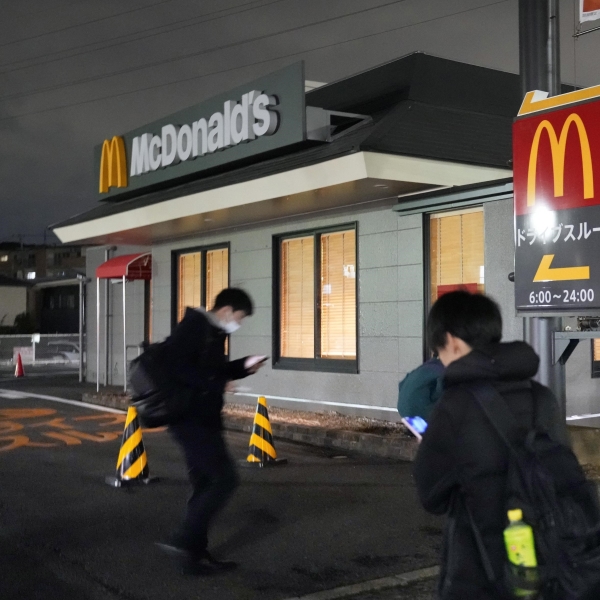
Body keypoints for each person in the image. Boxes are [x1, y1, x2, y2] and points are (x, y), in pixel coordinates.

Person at [412, 291, 567, 600]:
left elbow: (431, 496)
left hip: (478, 572)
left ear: (452, 342)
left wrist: (426, 444)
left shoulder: (455, 406)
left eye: (440, 352)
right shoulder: (543, 398)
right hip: (548, 563)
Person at [157, 287, 264, 575]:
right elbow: (176, 368)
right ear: (226, 310)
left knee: (205, 483)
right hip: (190, 419)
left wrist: (243, 366)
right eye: (239, 318)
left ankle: (193, 554)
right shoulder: (195, 327)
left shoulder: (212, 333)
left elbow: (211, 370)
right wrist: (217, 384)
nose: (238, 324)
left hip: (201, 419)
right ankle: (182, 541)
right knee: (224, 479)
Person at [397, 356, 443, 421]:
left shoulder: (423, 368)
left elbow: (401, 384)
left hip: (402, 409)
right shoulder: (443, 370)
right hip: (421, 412)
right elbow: (442, 389)